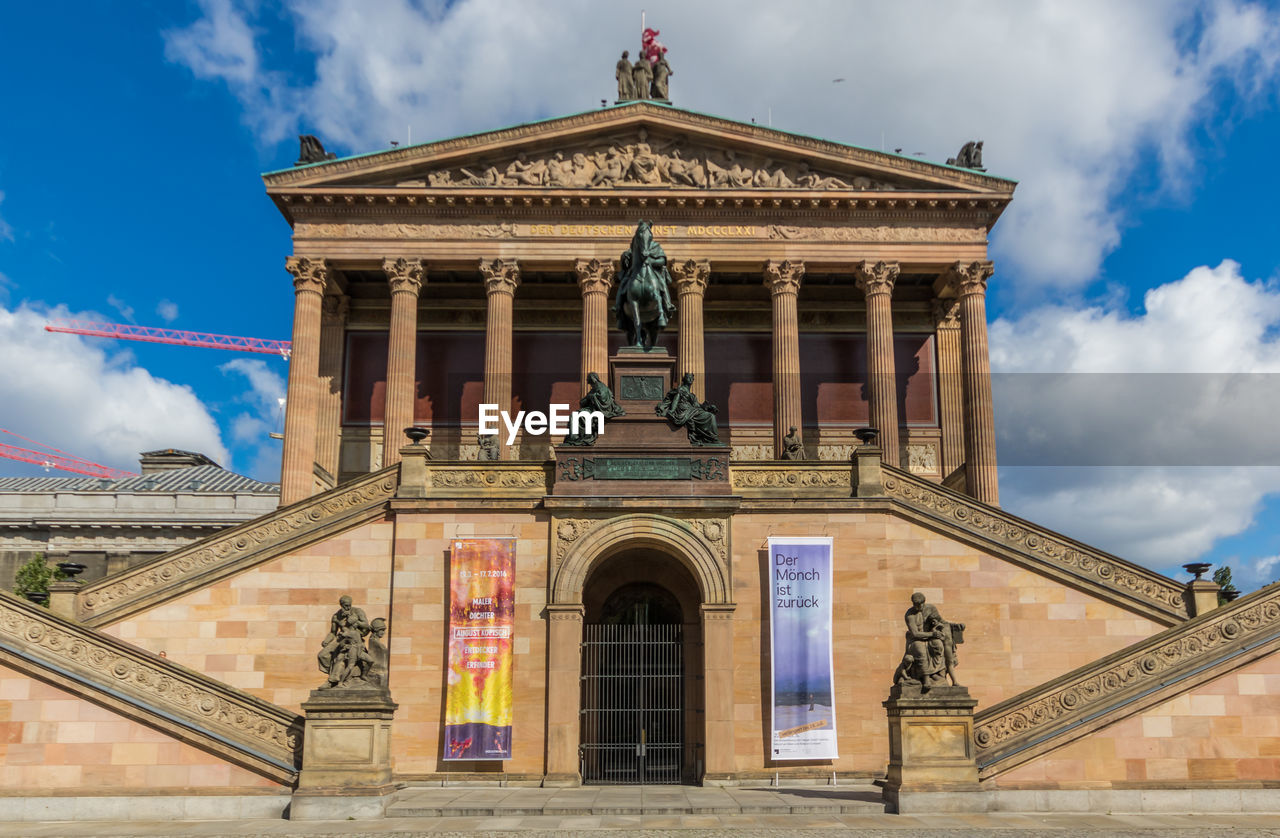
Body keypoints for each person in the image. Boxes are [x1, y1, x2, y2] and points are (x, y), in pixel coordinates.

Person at [615, 220, 676, 333]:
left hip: (652, 271)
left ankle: (667, 305)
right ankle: (618, 307)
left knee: (661, 284)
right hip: (635, 272)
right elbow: (626, 262)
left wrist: (651, 261)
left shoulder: (655, 246)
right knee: (624, 283)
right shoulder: (635, 246)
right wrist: (626, 257)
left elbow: (662, 260)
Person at [655, 373, 720, 445]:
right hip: (684, 410)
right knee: (710, 416)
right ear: (684, 379)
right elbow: (676, 399)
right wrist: (672, 410)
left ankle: (711, 438)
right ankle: (712, 438)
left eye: (692, 378)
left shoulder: (691, 394)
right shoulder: (681, 389)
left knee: (710, 415)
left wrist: (709, 407)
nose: (690, 379)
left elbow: (698, 405)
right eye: (688, 377)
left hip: (692, 410)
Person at [562, 372, 625, 446]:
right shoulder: (594, 388)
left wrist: (591, 397)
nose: (586, 380)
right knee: (575, 415)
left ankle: (576, 437)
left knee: (577, 416)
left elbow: (603, 401)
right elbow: (582, 402)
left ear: (592, 379)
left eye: (587, 378)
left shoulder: (600, 387)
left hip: (598, 410)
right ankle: (575, 437)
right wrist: (590, 397)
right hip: (592, 409)